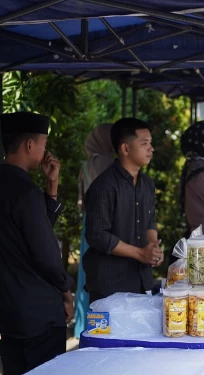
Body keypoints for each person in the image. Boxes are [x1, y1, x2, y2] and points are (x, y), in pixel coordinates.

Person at [0, 112, 74, 375]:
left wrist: (51, 186)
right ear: (30, 145)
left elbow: (33, 233)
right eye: (43, 142)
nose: (46, 150)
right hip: (38, 314)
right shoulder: (26, 193)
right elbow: (45, 252)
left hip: (9, 310)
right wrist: (66, 292)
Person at [83, 118, 162, 303]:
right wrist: (140, 253)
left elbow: (150, 221)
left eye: (150, 143)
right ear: (125, 149)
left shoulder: (146, 184)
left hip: (141, 279)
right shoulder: (104, 186)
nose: (151, 148)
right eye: (144, 143)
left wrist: (153, 249)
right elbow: (97, 235)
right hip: (111, 285)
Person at [75, 123, 114, 337]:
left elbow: (80, 202)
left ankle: (87, 325)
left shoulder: (85, 165)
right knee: (104, 272)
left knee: (88, 273)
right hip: (105, 223)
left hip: (88, 224)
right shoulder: (108, 163)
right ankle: (103, 328)